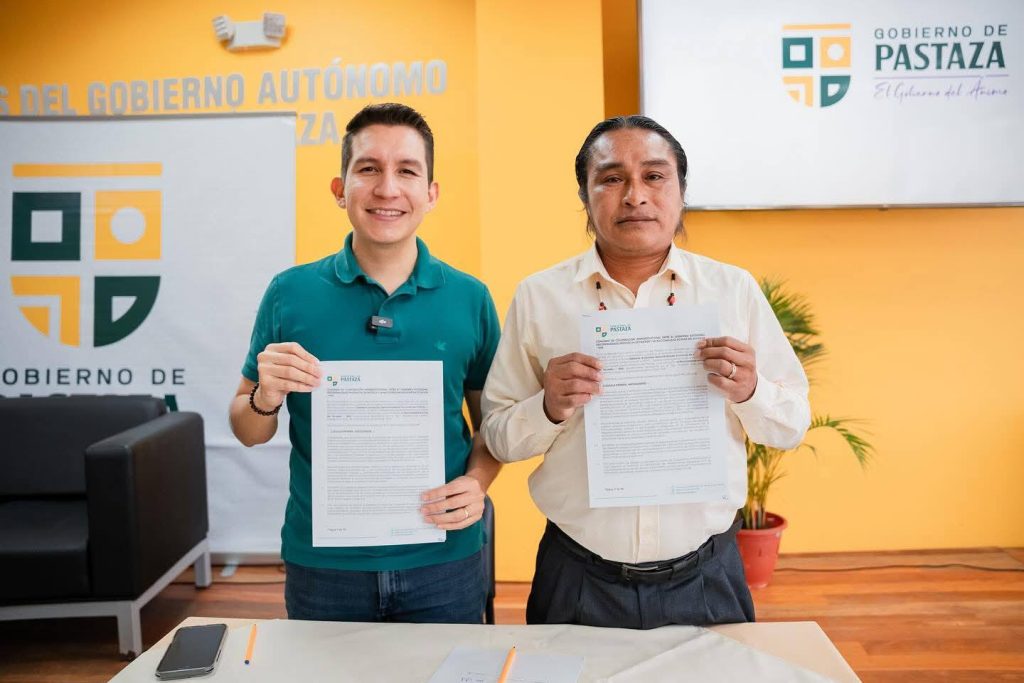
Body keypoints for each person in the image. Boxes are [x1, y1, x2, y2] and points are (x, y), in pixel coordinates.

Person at [480, 115, 810, 629]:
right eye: (612, 178)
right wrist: (548, 407)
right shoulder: (540, 297)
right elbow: (499, 437)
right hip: (577, 575)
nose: (635, 195)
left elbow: (790, 425)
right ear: (585, 197)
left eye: (654, 176)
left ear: (681, 191)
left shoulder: (732, 291)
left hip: (706, 574)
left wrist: (751, 391)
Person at [229, 103, 501, 624]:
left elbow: (493, 425)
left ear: (431, 193)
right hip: (325, 566)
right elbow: (247, 430)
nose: (387, 189)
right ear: (340, 189)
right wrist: (264, 396)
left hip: (443, 560)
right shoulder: (290, 293)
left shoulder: (470, 298)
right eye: (369, 169)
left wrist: (479, 482)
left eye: (407, 171)